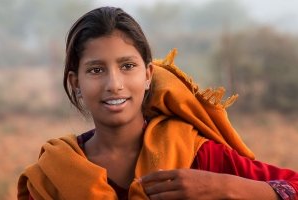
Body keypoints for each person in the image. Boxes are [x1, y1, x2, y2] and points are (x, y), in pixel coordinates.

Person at [17, 6, 298, 200]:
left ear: (148, 75)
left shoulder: (195, 155)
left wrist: (223, 187)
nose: (114, 83)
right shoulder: (53, 175)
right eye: (96, 70)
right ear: (75, 82)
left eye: (127, 66)